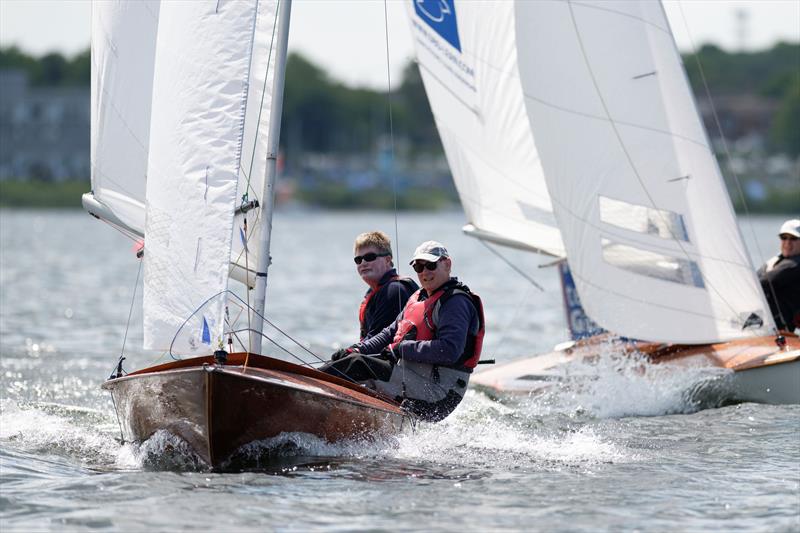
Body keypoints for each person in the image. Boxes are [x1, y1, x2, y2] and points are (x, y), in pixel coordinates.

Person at [321, 240, 485, 422]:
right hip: (413, 377)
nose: (424, 272)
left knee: (359, 365)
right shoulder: (418, 297)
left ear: (447, 264)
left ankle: (309, 388)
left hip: (440, 392)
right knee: (353, 359)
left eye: (430, 265)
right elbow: (389, 333)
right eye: (418, 267)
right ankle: (317, 398)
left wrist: (401, 349)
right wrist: (356, 350)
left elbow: (449, 350)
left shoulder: (455, 302)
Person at [329, 231, 418, 360]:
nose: (363, 263)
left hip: (397, 366)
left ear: (388, 260)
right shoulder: (373, 292)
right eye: (358, 260)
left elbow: (378, 341)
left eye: (369, 257)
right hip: (375, 359)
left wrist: (351, 352)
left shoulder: (394, 290)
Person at [757, 218, 800, 332]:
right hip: (766, 327)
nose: (787, 242)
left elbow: (762, 283)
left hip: (780, 330)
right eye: (784, 238)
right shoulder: (778, 261)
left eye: (793, 238)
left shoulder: (794, 265)